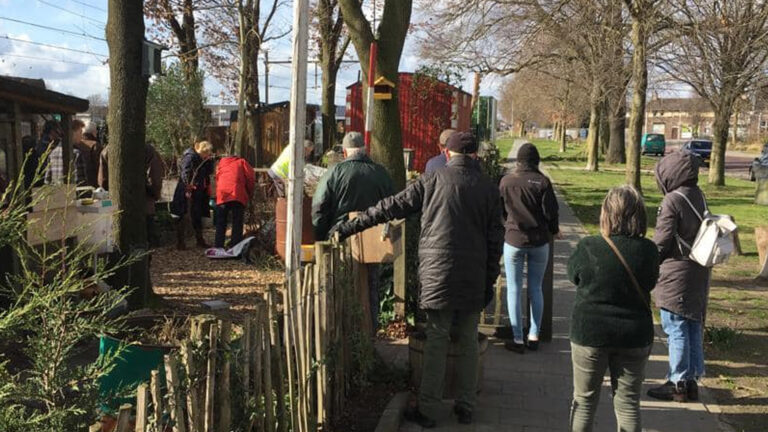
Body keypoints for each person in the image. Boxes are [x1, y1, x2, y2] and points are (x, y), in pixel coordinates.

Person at [330, 132, 504, 428]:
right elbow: (495, 240)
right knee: (468, 339)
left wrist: (351, 227)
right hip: (472, 274)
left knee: (436, 338)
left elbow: (389, 207)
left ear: (447, 154)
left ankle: (429, 409)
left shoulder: (432, 180)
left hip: (438, 273)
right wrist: (488, 280)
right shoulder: (488, 189)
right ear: (474, 156)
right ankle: (466, 406)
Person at [568, 186, 659, 432]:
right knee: (629, 404)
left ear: (606, 213)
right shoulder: (649, 251)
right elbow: (650, 282)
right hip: (634, 335)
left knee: (584, 400)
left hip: (590, 334)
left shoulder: (588, 247)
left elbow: (573, 276)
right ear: (639, 215)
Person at [312, 132, 394, 330]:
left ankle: (343, 331)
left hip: (340, 237)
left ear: (346, 151)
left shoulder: (334, 172)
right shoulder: (380, 172)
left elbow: (319, 207)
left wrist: (321, 235)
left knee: (339, 284)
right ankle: (371, 331)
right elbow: (394, 204)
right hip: (373, 240)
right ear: (365, 149)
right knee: (370, 286)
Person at [647, 150, 710, 403]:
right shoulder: (698, 195)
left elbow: (662, 242)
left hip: (676, 273)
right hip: (698, 270)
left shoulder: (673, 200)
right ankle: (692, 380)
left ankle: (677, 382)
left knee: (675, 327)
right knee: (693, 325)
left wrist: (647, 261)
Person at [499, 142, 560, 353]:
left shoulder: (506, 181)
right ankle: (534, 335)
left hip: (514, 241)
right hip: (539, 241)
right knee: (536, 288)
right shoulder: (542, 182)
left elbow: (501, 210)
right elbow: (551, 212)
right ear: (536, 161)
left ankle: (517, 339)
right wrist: (554, 229)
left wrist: (507, 225)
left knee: (514, 290)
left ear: (518, 160)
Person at [98, 141, 165, 246]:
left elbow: (103, 181)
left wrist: (111, 195)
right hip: (143, 204)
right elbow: (155, 179)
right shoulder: (148, 150)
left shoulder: (107, 150)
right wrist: (155, 195)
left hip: (117, 205)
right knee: (142, 243)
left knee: (119, 242)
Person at [170, 141, 214, 249]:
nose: (209, 155)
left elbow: (208, 172)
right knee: (184, 214)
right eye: (207, 153)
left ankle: (199, 240)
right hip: (188, 190)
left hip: (197, 191)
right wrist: (188, 187)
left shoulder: (201, 160)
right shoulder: (190, 158)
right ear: (203, 151)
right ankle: (181, 242)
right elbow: (186, 173)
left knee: (196, 215)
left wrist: (209, 162)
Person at [214, 155, 256, 248]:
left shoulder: (220, 164)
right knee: (237, 221)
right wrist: (250, 192)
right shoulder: (242, 162)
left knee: (221, 222)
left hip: (222, 195)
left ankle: (218, 246)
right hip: (237, 194)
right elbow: (250, 178)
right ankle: (235, 246)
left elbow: (217, 178)